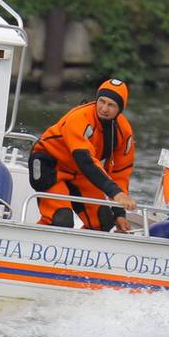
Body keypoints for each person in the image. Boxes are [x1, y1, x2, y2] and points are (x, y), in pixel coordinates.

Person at [27, 78, 137, 231]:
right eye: (102, 101)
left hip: (79, 172)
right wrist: (115, 193)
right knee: (61, 220)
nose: (104, 108)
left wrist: (119, 212)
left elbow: (120, 172)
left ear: (120, 109)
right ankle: (34, 244)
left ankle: (81, 252)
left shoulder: (124, 132)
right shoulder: (79, 118)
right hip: (50, 164)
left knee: (104, 221)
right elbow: (85, 159)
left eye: (111, 105)